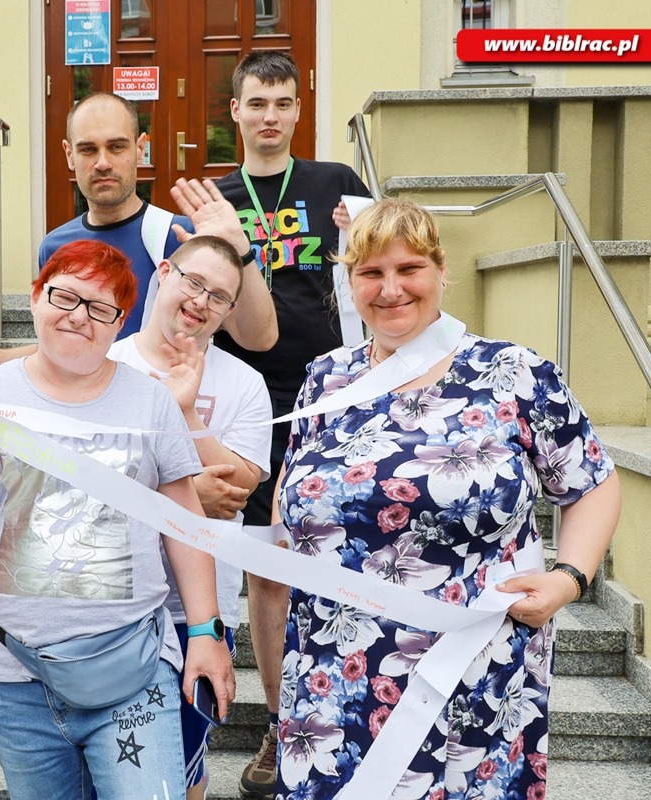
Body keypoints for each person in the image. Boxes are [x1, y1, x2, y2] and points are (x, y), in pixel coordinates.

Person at [273, 198, 621, 799]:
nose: (390, 289)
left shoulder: (513, 372)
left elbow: (592, 481)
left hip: (473, 671)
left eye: (408, 269)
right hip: (334, 673)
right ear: (348, 281)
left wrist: (569, 578)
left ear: (439, 271)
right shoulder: (325, 379)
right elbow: (294, 495)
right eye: (371, 273)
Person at [0, 239, 236, 800]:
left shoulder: (151, 401)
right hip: (15, 671)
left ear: (120, 323)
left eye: (101, 308)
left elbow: (183, 520)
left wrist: (205, 631)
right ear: (37, 299)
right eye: (65, 296)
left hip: (135, 668)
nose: (78, 317)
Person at [210, 50, 371, 798]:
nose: (269, 115)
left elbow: (391, 267)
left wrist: (358, 234)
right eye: (256, 103)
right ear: (234, 111)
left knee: (342, 562)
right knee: (266, 573)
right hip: (246, 401)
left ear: (298, 109)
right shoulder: (213, 196)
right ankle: (283, 724)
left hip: (329, 398)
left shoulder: (334, 183)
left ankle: (357, 702)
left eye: (282, 102)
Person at [109, 235, 272, 800]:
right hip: (110, 600)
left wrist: (185, 413)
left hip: (198, 610)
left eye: (220, 297)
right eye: (193, 282)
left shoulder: (243, 384)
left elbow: (240, 487)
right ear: (163, 272)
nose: (201, 301)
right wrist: (184, 488)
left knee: (184, 765)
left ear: (230, 312)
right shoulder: (105, 362)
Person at [16, 91, 276, 350]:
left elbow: (257, 338)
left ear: (140, 149)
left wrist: (240, 248)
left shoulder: (183, 237)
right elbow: (52, 348)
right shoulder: (54, 247)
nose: (103, 163)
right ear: (69, 155)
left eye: (117, 147)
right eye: (88, 149)